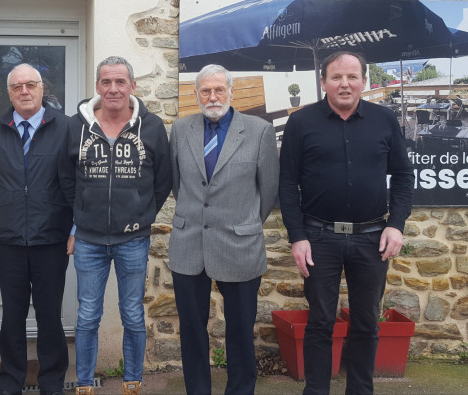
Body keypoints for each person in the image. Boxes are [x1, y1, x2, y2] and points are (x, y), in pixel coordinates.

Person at [279, 51, 414, 395]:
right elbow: (287, 184)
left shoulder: (384, 121)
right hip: (319, 238)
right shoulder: (301, 122)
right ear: (323, 82)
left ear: (364, 82)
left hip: (372, 239)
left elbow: (401, 175)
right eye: (336, 77)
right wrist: (297, 236)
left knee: (367, 323)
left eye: (352, 77)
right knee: (321, 322)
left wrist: (396, 225)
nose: (345, 84)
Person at [59, 56, 172, 395]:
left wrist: (143, 215)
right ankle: (83, 383)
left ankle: (132, 381)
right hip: (89, 239)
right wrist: (79, 215)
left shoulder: (151, 127)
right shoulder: (75, 126)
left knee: (133, 315)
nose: (113, 89)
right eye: (106, 82)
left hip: (132, 239)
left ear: (132, 86)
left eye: (120, 82)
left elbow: (163, 180)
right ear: (97, 87)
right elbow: (67, 177)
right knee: (88, 316)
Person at [169, 64, 279, 395]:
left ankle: (241, 389)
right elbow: (179, 186)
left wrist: (244, 224)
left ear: (231, 91)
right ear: (196, 94)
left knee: (241, 331)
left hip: (239, 244)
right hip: (189, 245)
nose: (213, 96)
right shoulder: (180, 129)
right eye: (205, 90)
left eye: (219, 89)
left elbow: (268, 191)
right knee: (191, 330)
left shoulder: (259, 131)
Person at [0, 63, 72, 395]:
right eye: (17, 86)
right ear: (8, 93)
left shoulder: (66, 127)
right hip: (8, 238)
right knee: (13, 317)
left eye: (31, 85)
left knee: (50, 317)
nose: (24, 91)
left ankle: (52, 383)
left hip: (51, 238)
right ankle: (11, 383)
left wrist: (74, 227)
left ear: (41, 89)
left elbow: (75, 181)